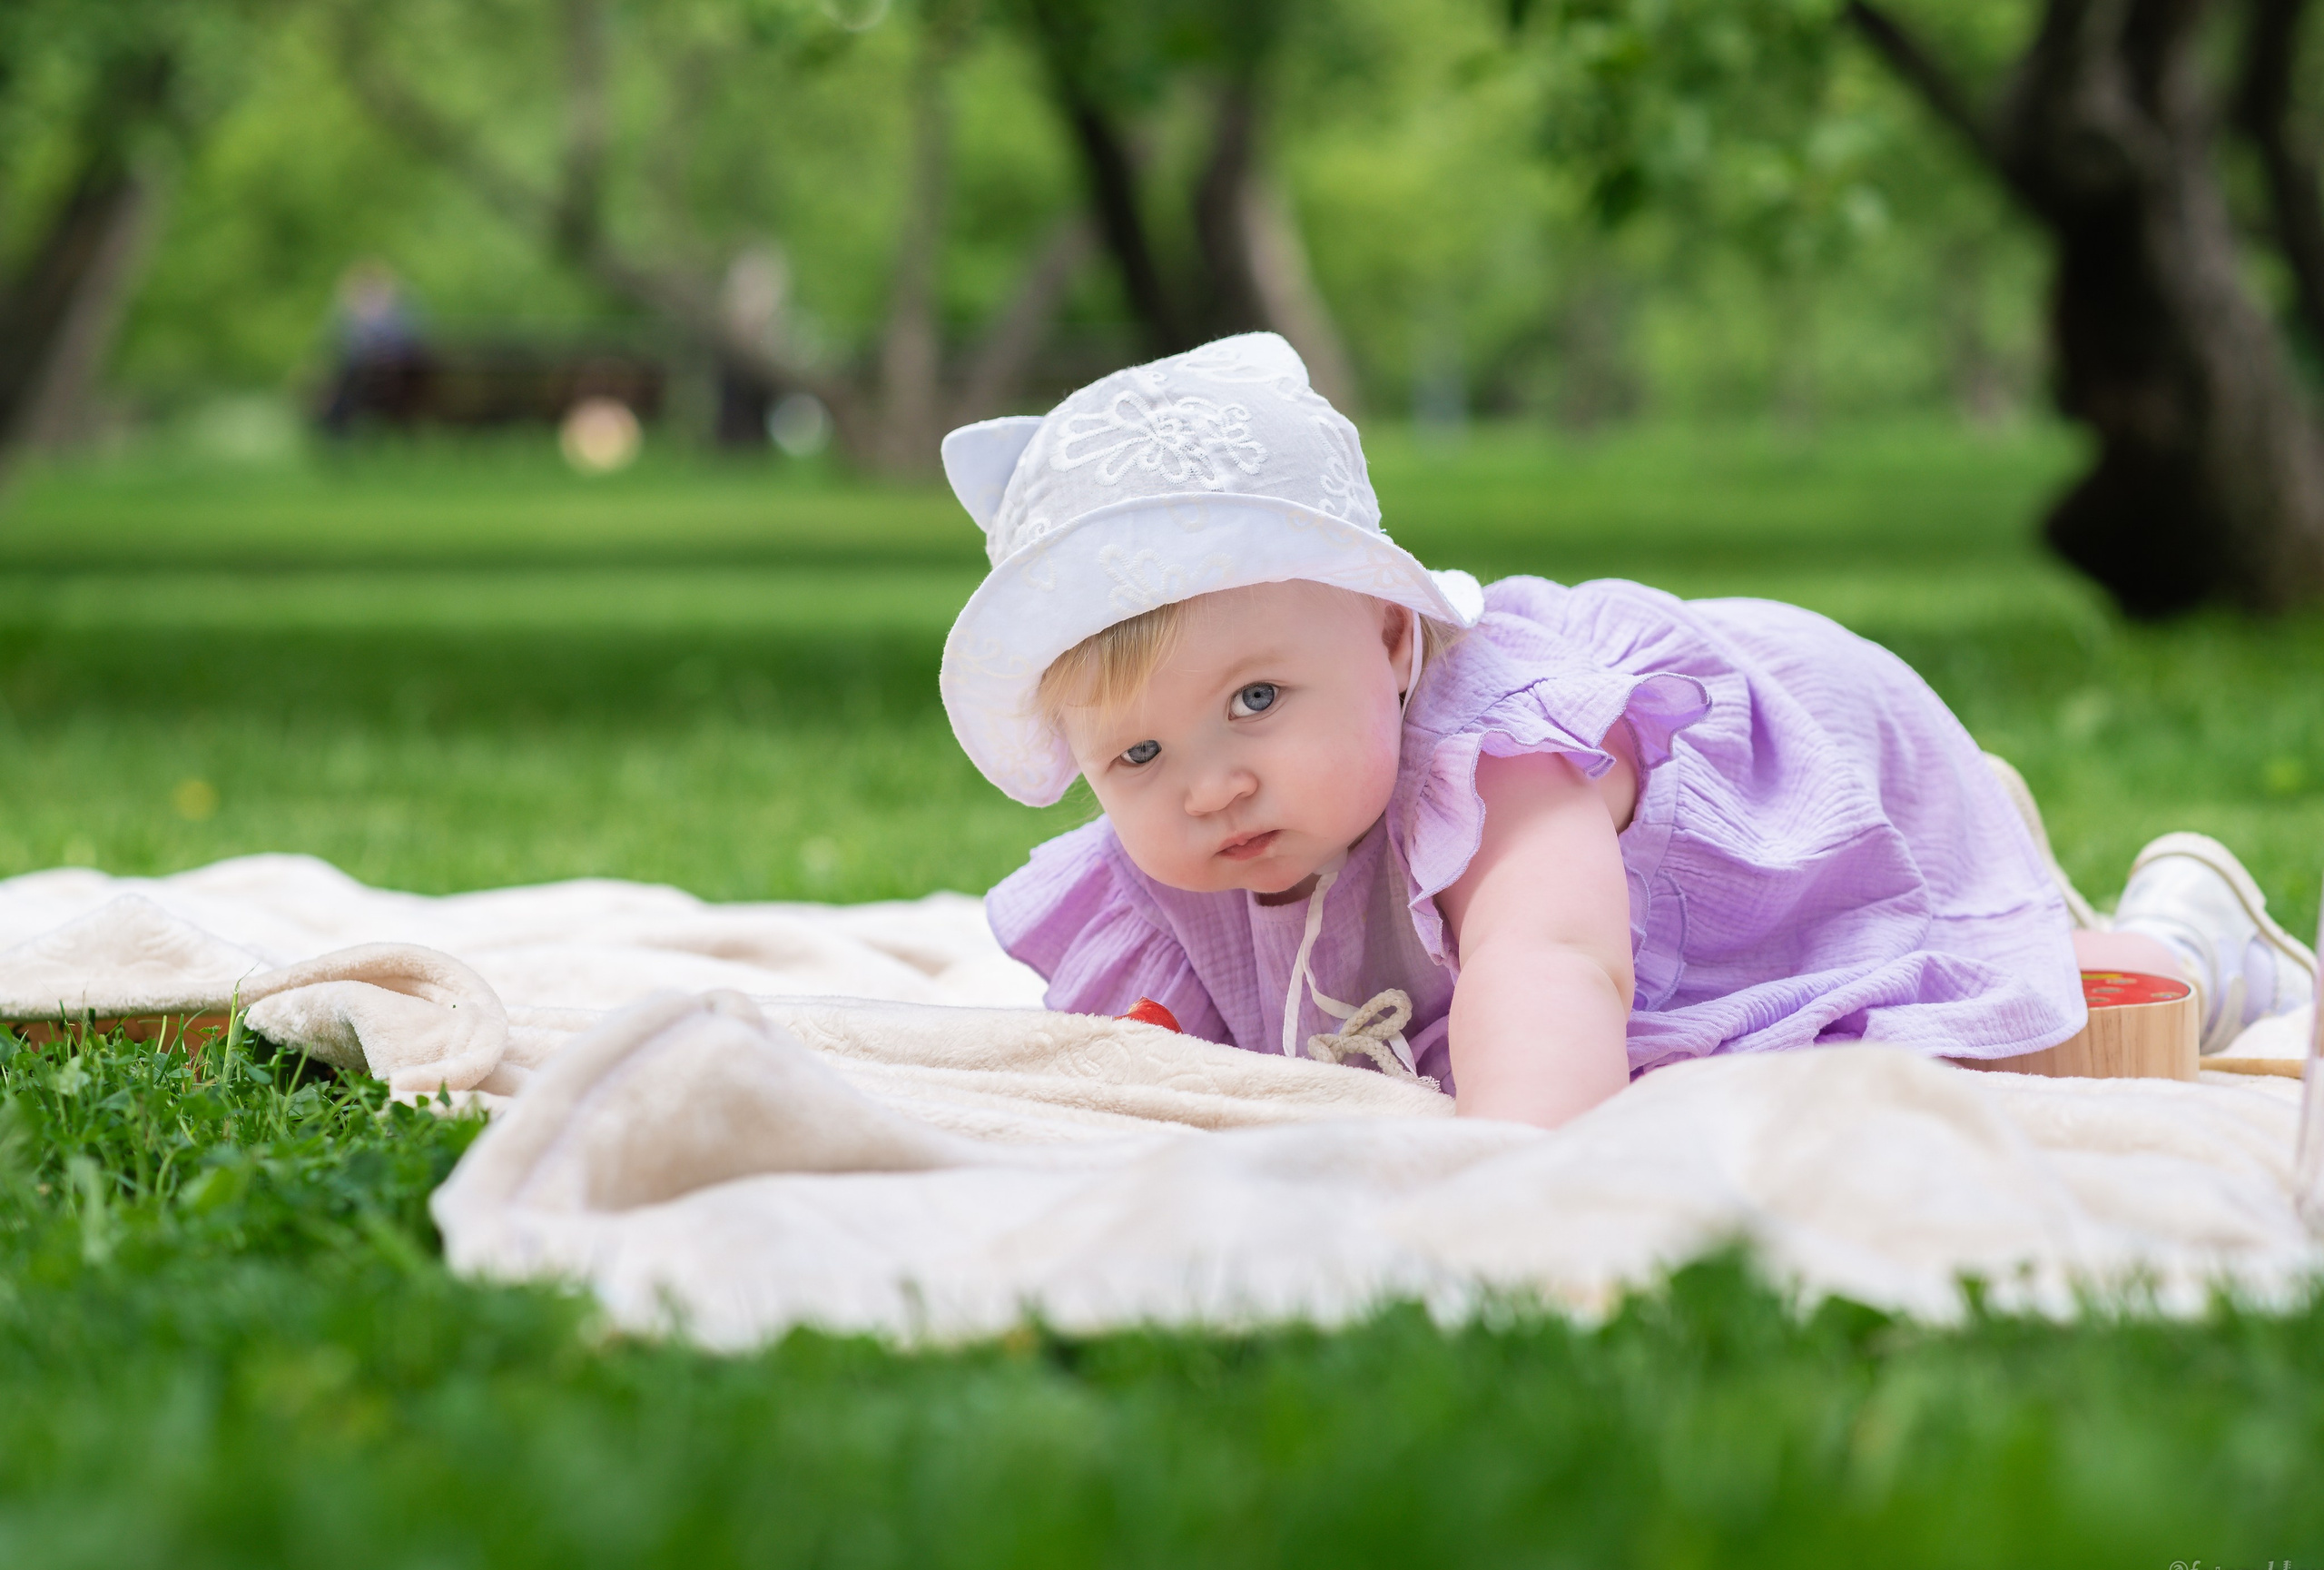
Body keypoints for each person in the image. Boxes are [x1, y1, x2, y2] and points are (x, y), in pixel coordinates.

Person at [939, 333, 2319, 1130]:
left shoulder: (1504, 761)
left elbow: (1549, 968)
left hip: (1803, 774)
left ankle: (2193, 930)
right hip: (1652, 855)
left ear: (1388, 637)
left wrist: (1527, 1179)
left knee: (2006, 1024)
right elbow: (1160, 1052)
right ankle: (1995, 834)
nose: (1211, 781)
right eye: (1137, 756)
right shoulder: (1189, 843)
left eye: (1254, 700)